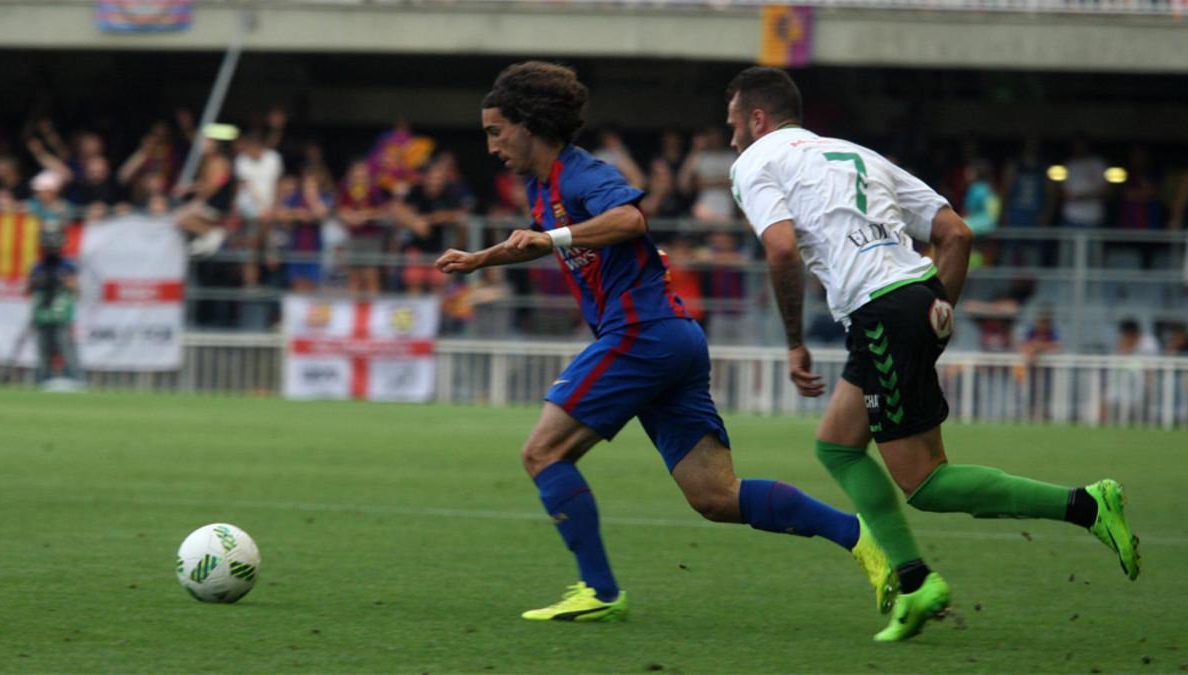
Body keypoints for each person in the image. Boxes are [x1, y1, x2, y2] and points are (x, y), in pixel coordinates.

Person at [436, 61, 895, 625]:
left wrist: (552, 236)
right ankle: (863, 538)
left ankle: (599, 591)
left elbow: (628, 220)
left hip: (641, 333)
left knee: (542, 452)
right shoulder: (543, 187)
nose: (491, 146)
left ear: (528, 125)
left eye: (495, 131)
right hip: (670, 339)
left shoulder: (580, 174)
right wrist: (483, 258)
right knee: (715, 496)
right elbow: (545, 241)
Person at [723, 67, 1140, 642]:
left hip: (879, 311)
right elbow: (958, 234)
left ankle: (1087, 505)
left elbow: (780, 250)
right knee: (838, 446)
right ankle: (916, 583)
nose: (731, 138)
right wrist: (939, 307)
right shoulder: (856, 154)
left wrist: (794, 340)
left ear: (758, 119)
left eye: (733, 125)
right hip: (913, 299)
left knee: (925, 483)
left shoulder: (754, 162)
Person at [26, 225, 83, 385]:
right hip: (43, 313)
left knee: (65, 346)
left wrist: (65, 283)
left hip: (61, 313)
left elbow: (77, 291)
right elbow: (29, 289)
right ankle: (43, 380)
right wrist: (38, 282)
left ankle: (76, 379)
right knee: (43, 349)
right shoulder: (38, 266)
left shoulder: (67, 265)